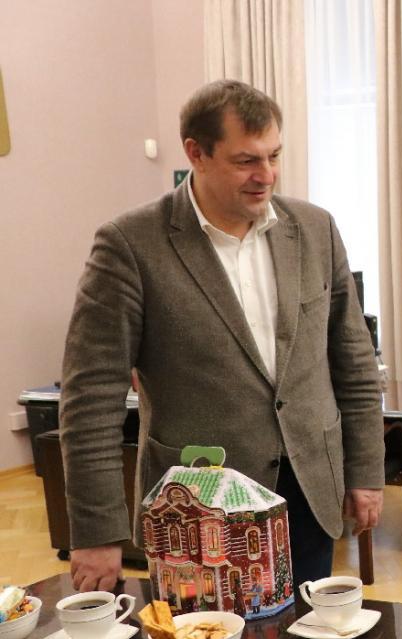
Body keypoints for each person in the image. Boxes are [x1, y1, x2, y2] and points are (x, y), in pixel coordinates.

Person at [60, 80, 385, 593]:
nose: (266, 175)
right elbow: (89, 399)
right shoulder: (130, 245)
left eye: (274, 156)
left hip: (308, 491)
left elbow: (354, 362)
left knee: (304, 636)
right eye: (246, 160)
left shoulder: (315, 229)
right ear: (197, 153)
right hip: (196, 506)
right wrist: (98, 532)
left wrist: (365, 471)